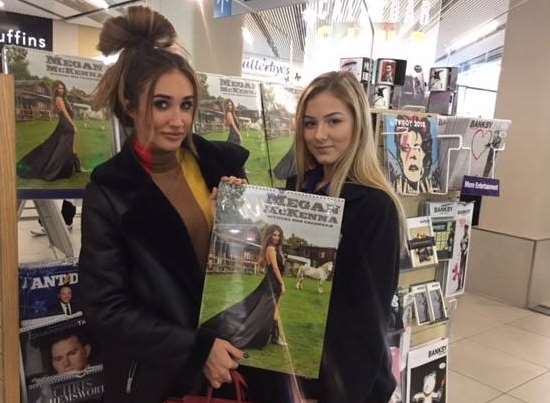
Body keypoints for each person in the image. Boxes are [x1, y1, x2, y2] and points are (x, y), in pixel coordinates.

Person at [78, 6, 248, 403]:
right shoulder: (111, 191)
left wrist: (241, 217)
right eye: (162, 104)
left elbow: (240, 266)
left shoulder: (218, 169)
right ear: (132, 106)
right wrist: (194, 349)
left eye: (186, 105)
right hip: (158, 378)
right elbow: (106, 308)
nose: (177, 120)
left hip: (231, 366)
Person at [287, 71, 404, 402]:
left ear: (357, 125)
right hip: (296, 371)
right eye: (310, 124)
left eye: (333, 121)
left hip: (342, 385)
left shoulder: (374, 207)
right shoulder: (300, 188)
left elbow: (367, 320)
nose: (319, 135)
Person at [201, 225, 288, 348]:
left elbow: (265, 265)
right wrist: (282, 283)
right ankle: (245, 335)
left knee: (273, 310)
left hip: (272, 282)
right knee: (261, 309)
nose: (276, 237)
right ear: (269, 235)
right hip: (273, 283)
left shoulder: (273, 249)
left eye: (278, 235)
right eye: (274, 234)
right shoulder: (271, 249)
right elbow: (274, 268)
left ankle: (275, 337)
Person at [17, 80, 81, 180]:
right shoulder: (59, 99)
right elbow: (65, 113)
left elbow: (67, 112)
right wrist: (73, 125)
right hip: (66, 125)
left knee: (66, 146)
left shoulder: (64, 99)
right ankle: (52, 171)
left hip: (66, 125)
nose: (61, 90)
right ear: (56, 89)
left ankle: (77, 168)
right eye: (59, 88)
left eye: (62, 88)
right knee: (61, 148)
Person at [392, 115, 435, 194]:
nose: (412, 156)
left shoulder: (433, 184)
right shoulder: (393, 185)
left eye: (417, 147)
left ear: (426, 153)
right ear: (399, 155)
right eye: (405, 148)